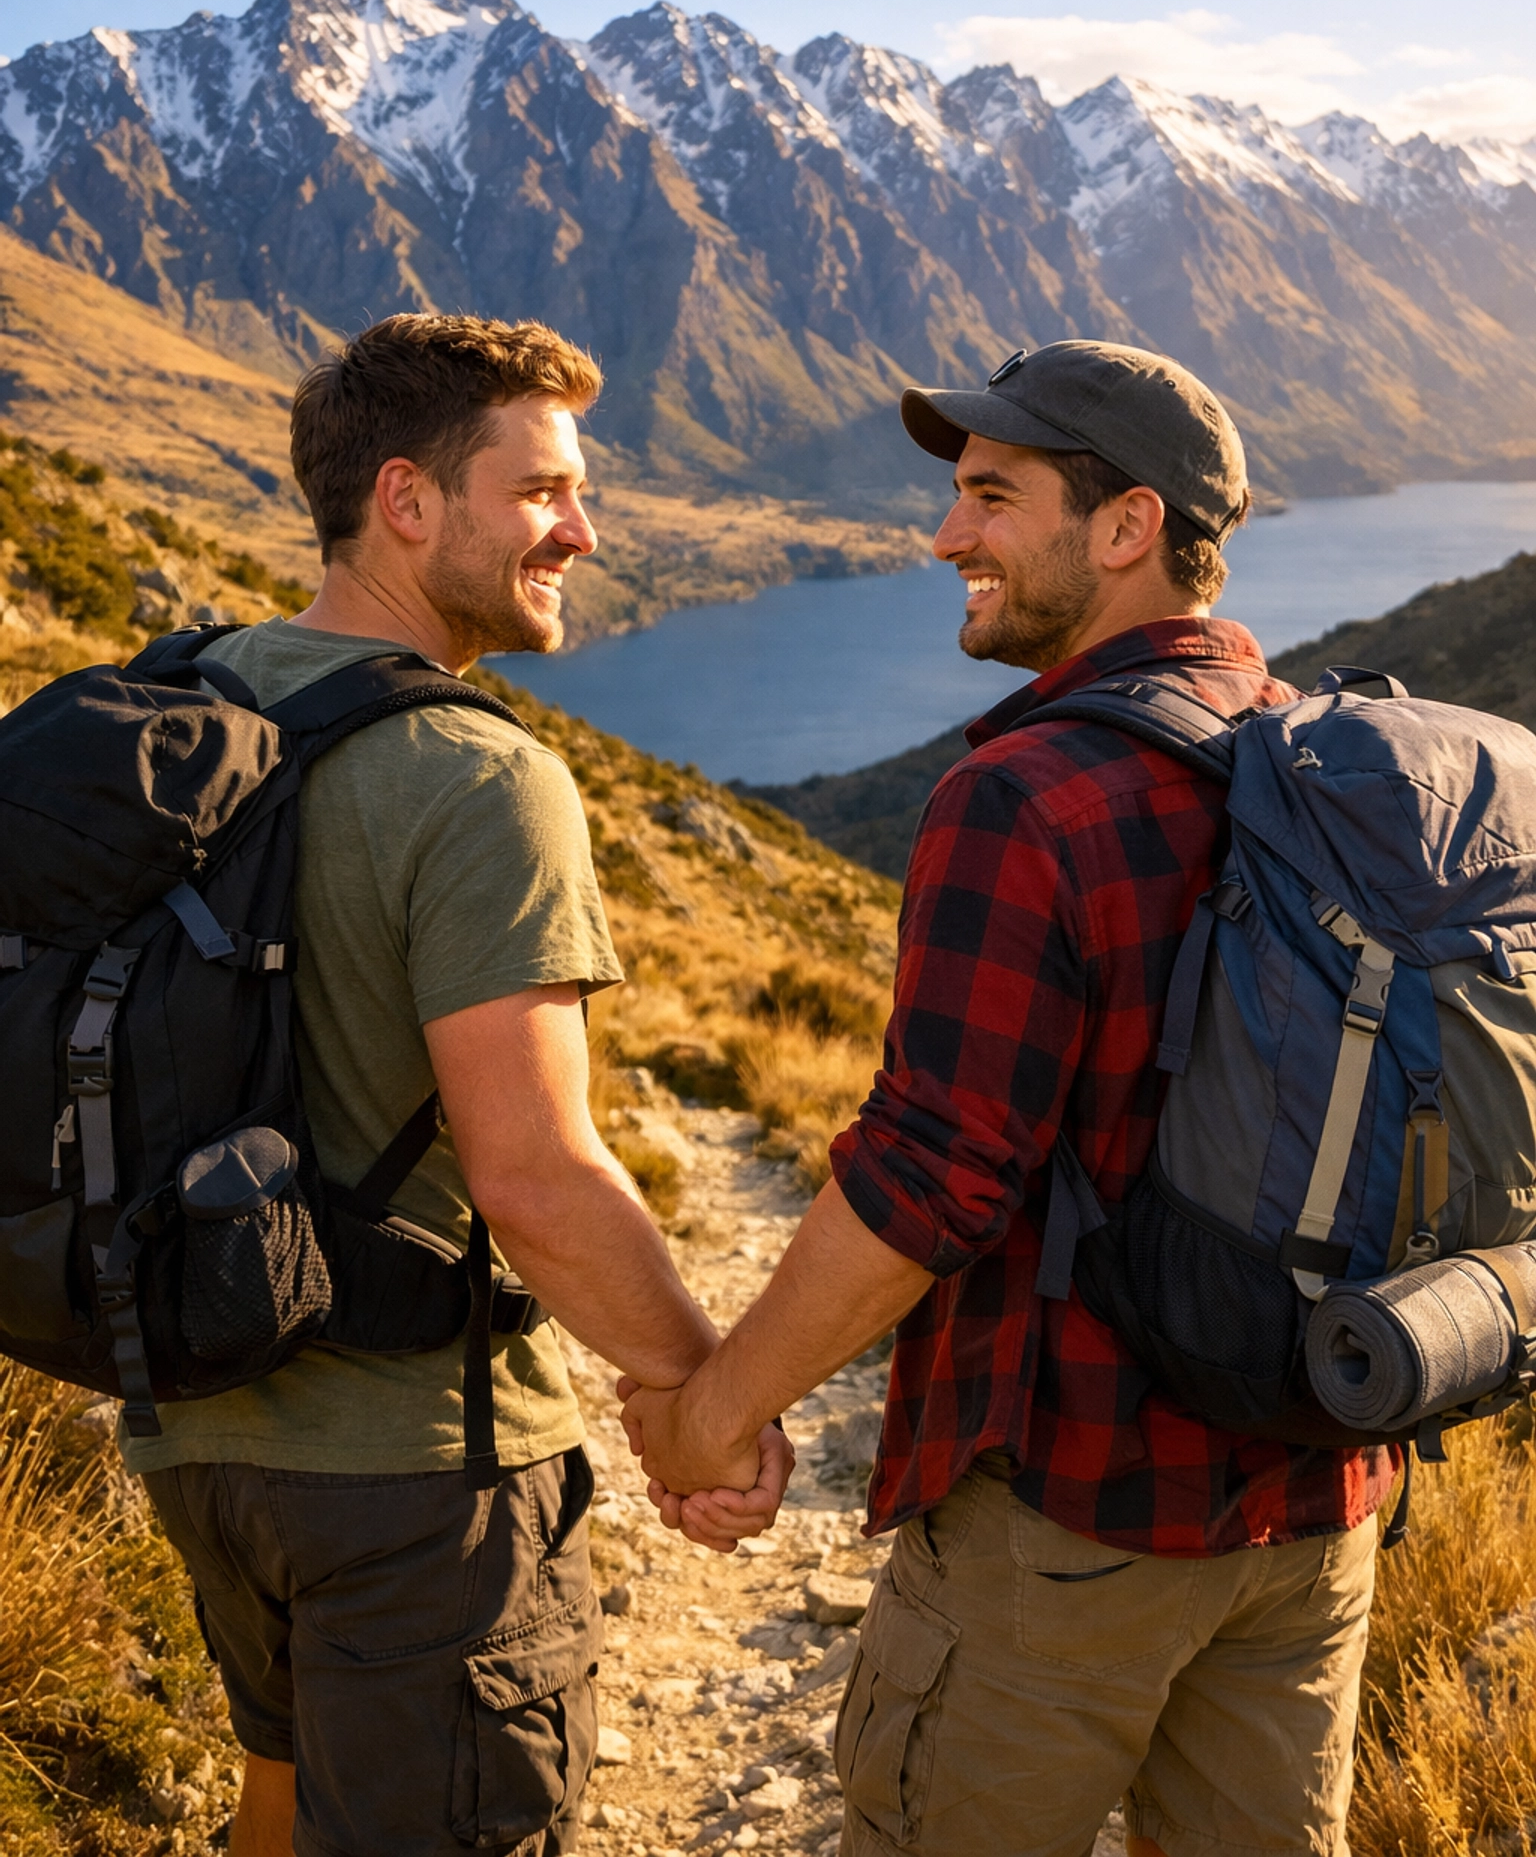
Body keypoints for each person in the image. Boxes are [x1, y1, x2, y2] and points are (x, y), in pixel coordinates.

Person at [622, 340, 1398, 1857]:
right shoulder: (1319, 764)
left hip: (1069, 1518)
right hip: (1319, 1500)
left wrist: (715, 1411)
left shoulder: (1025, 797)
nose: (945, 536)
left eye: (992, 495)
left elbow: (932, 1177)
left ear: (1126, 530)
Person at [126, 313, 790, 1857]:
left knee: (278, 1812)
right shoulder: (478, 775)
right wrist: (699, 1397)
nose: (585, 528)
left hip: (196, 1434)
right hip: (418, 1476)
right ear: (410, 502)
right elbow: (537, 1178)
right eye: (544, 490)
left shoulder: (185, 706)